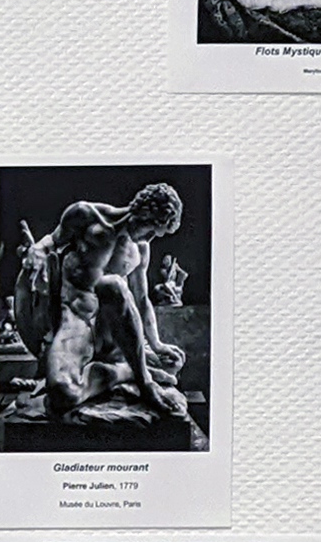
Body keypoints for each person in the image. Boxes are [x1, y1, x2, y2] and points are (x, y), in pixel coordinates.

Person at [11, 184, 198, 438]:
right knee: (63, 394)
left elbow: (142, 299)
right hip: (76, 321)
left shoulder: (140, 249)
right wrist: (36, 252)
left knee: (112, 285)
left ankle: (144, 381)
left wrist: (156, 344)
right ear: (143, 215)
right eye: (152, 231)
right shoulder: (85, 215)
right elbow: (50, 242)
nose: (150, 240)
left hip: (112, 330)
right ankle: (125, 371)